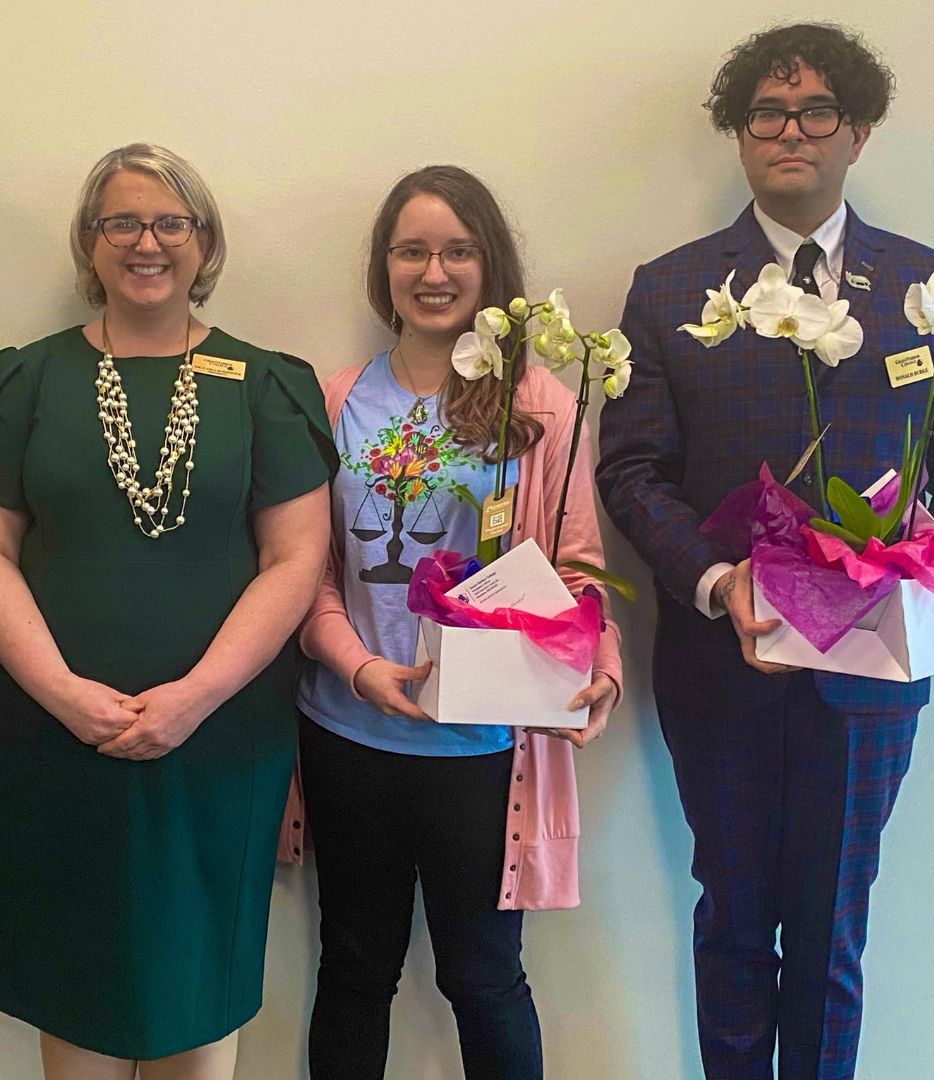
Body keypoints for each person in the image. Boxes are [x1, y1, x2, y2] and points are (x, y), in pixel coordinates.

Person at [0, 142, 335, 1080]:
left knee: (196, 974)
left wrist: (195, 696)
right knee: (77, 968)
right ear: (90, 243)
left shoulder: (267, 384)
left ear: (204, 242)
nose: (147, 241)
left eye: (171, 222)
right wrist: (62, 692)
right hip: (50, 734)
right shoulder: (26, 378)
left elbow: (295, 558)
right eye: (121, 221)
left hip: (220, 736)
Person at [597, 24, 933, 1080]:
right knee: (734, 922)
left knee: (831, 931)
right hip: (718, 665)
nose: (791, 131)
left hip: (870, 671)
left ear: (860, 130)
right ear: (740, 136)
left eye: (816, 110)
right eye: (767, 114)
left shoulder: (924, 289)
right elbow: (632, 472)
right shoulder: (670, 290)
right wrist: (715, 580)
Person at [294, 164, 623, 1080]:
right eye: (412, 250)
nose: (433, 271)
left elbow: (579, 567)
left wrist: (599, 666)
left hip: (483, 752)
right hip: (349, 733)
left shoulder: (541, 405)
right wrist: (359, 668)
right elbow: (306, 577)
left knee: (483, 979)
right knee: (355, 971)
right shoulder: (333, 400)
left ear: (490, 264)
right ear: (383, 267)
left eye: (457, 250)